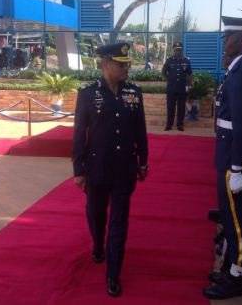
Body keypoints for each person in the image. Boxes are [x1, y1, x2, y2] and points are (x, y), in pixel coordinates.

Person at [72, 42, 149, 297]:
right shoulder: (87, 94)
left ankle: (113, 273)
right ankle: (97, 245)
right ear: (105, 65)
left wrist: (143, 160)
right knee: (96, 213)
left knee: (119, 222)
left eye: (127, 63)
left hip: (124, 169)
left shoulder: (134, 94)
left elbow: (140, 130)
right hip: (97, 168)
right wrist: (79, 170)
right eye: (120, 63)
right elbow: (79, 134)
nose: (126, 67)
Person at [203, 17, 242, 300]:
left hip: (233, 158)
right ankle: (232, 267)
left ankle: (238, 275)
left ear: (241, 39)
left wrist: (238, 166)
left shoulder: (241, 73)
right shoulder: (240, 68)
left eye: (228, 36)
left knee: (238, 219)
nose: (224, 40)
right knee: (231, 217)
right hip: (230, 153)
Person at [162, 41, 193, 131]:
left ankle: (180, 125)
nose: (178, 52)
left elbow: (190, 74)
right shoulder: (169, 60)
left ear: (182, 50)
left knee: (181, 108)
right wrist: (168, 79)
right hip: (171, 88)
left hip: (182, 88)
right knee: (170, 107)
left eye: (179, 50)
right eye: (176, 50)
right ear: (173, 50)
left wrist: (189, 85)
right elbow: (163, 72)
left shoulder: (186, 61)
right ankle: (169, 125)